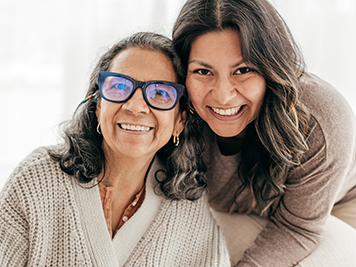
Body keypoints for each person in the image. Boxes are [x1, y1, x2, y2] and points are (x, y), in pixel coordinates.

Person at [0, 32, 230, 266]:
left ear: (180, 121)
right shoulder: (35, 181)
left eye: (160, 93)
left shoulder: (193, 214)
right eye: (119, 87)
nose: (136, 106)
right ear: (98, 106)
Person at [172, 0, 356, 266]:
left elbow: (297, 228)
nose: (223, 96)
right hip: (239, 209)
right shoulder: (169, 105)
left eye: (243, 70)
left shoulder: (320, 116)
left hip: (336, 205)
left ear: (272, 68)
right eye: (203, 71)